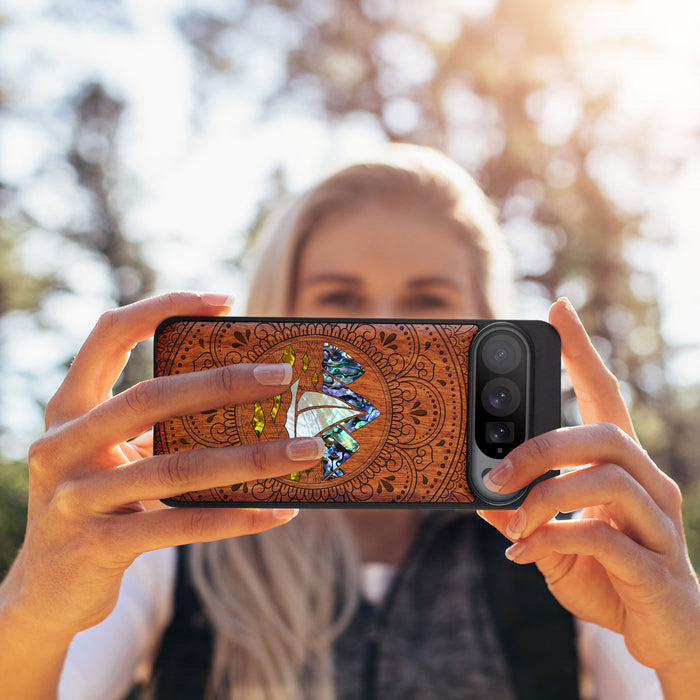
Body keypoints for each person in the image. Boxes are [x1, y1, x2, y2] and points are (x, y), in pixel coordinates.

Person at [0, 145, 698, 700]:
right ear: (281, 315)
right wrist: (34, 607)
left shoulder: (567, 544)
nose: (383, 330)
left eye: (427, 302)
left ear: (486, 323)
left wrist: (685, 649)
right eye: (340, 299)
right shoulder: (171, 535)